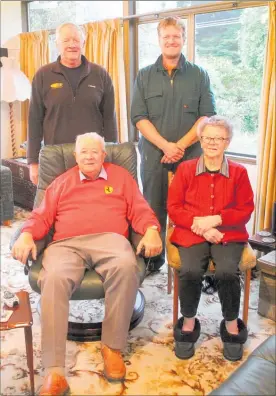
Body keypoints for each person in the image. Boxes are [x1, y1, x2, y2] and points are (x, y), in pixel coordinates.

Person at [12, 133, 162, 395]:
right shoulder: (61, 182)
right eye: (84, 152)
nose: (90, 156)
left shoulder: (120, 177)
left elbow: (140, 209)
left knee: (126, 266)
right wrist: (26, 234)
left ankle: (112, 347)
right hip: (66, 243)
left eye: (95, 152)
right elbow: (41, 215)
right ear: (76, 156)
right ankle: (55, 371)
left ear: (104, 155)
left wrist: (150, 229)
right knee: (54, 277)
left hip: (111, 240)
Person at [131, 17, 216, 271]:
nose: (171, 41)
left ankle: (188, 262)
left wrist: (178, 145)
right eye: (166, 36)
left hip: (190, 156)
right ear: (159, 40)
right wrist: (165, 146)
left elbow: (206, 116)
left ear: (184, 39)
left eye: (176, 36)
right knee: (154, 208)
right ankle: (153, 262)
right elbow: (138, 118)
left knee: (191, 210)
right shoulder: (144, 75)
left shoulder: (199, 74)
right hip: (154, 156)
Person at [167, 116, 254, 362]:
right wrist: (202, 227)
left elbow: (245, 209)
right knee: (191, 269)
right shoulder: (185, 169)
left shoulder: (239, 172)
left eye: (219, 138)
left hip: (228, 232)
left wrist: (215, 220)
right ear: (201, 140)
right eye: (207, 137)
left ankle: (230, 324)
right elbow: (174, 207)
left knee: (227, 271)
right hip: (191, 231)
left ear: (227, 142)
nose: (212, 142)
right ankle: (189, 320)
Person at [28, 22, 118, 185]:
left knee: (92, 204)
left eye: (76, 40)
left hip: (91, 158)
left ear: (83, 43)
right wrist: (33, 162)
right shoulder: (43, 75)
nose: (72, 45)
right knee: (59, 207)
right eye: (66, 40)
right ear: (57, 44)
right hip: (56, 158)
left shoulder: (100, 74)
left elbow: (110, 119)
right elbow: (34, 120)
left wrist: (111, 154)